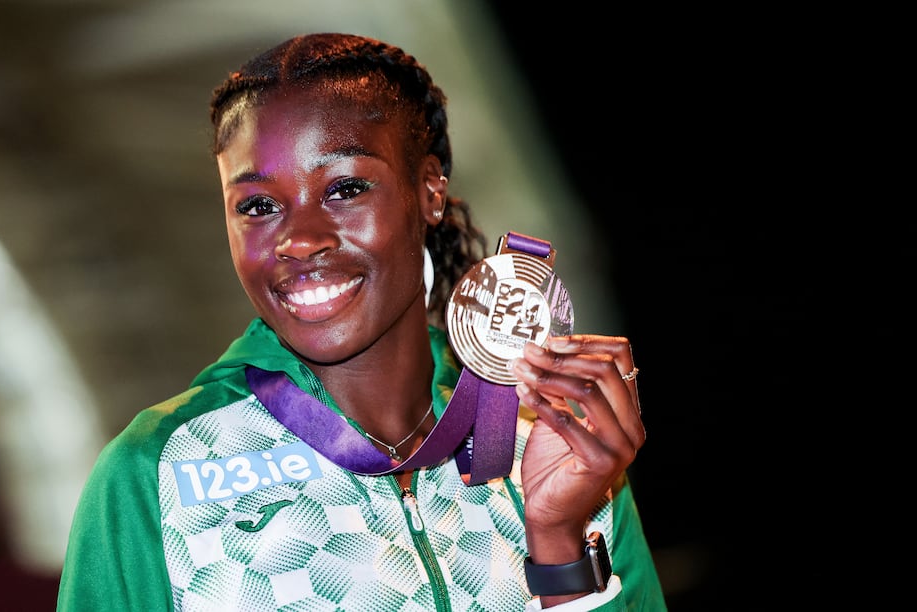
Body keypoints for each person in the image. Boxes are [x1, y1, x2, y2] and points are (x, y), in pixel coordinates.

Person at [56, 32, 666, 611]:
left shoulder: (547, 434)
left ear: (428, 191)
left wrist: (557, 540)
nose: (299, 239)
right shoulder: (160, 472)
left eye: (344, 189)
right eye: (258, 206)